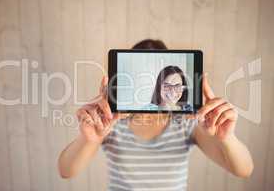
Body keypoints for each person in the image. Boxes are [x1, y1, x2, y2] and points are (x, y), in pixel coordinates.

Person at [58, 39, 254, 191]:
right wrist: (86, 138)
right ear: (158, 86)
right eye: (167, 85)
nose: (173, 91)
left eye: (178, 85)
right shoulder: (111, 123)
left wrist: (227, 137)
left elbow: (243, 170)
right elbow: (66, 171)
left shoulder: (187, 122)